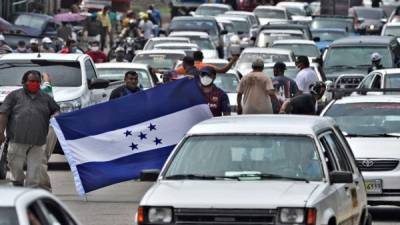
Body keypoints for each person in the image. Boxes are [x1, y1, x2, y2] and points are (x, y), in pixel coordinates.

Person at [0, 70, 59, 188]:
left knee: (34, 173)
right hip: (17, 140)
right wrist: (1, 131)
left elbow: (55, 110)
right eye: (32, 81)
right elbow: (3, 113)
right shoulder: (14, 96)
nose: (35, 84)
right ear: (24, 82)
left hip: (38, 142)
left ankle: (30, 193)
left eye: (37, 82)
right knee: (14, 165)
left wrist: (55, 114)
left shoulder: (46, 97)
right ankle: (18, 181)